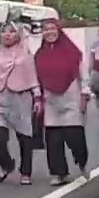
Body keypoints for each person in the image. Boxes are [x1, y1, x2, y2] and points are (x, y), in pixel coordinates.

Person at [0, 21, 42, 185]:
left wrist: (37, 97)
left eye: (11, 31)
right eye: (4, 32)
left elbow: (32, 76)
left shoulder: (25, 53)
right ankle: (7, 165)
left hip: (21, 97)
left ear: (18, 35)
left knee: (24, 137)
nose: (7, 35)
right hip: (0, 98)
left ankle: (26, 171)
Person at [35, 18, 89, 185]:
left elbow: (83, 73)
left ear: (58, 30)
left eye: (52, 28)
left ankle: (81, 162)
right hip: (50, 100)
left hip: (71, 96)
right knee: (53, 140)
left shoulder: (72, 51)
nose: (49, 32)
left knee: (74, 136)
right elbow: (35, 78)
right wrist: (37, 97)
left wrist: (85, 94)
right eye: (45, 30)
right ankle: (59, 173)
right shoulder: (39, 54)